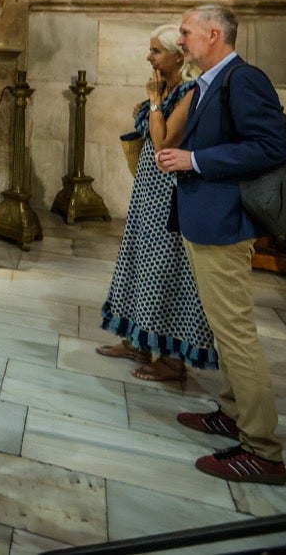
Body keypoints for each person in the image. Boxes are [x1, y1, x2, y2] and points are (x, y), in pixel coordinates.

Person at [155, 4, 286, 485]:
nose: (181, 41)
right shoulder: (210, 81)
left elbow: (271, 146)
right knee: (221, 328)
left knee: (236, 334)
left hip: (225, 222)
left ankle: (263, 451)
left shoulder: (244, 79)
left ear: (214, 34)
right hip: (204, 219)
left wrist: (195, 160)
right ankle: (233, 415)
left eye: (187, 33)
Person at [97, 25, 217, 382]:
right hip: (147, 193)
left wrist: (152, 102)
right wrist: (151, 102)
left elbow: (165, 141)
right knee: (139, 263)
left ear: (178, 56)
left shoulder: (191, 91)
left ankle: (171, 359)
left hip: (170, 196)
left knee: (163, 270)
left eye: (156, 51)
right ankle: (138, 340)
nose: (149, 57)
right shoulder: (167, 88)